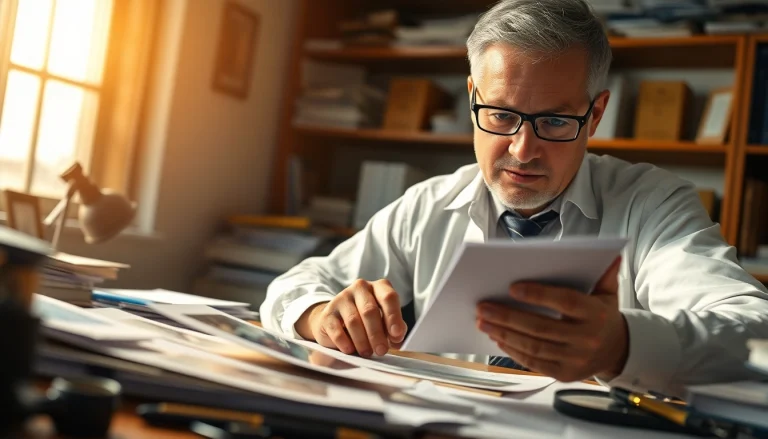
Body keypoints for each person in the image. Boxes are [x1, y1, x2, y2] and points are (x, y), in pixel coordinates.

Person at [260, 0, 768, 397]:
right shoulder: (430, 204)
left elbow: (754, 334)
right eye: (501, 115)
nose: (523, 151)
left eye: (554, 120)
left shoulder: (653, 205)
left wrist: (623, 346)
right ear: (474, 96)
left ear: (594, 116)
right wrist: (323, 313)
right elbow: (297, 284)